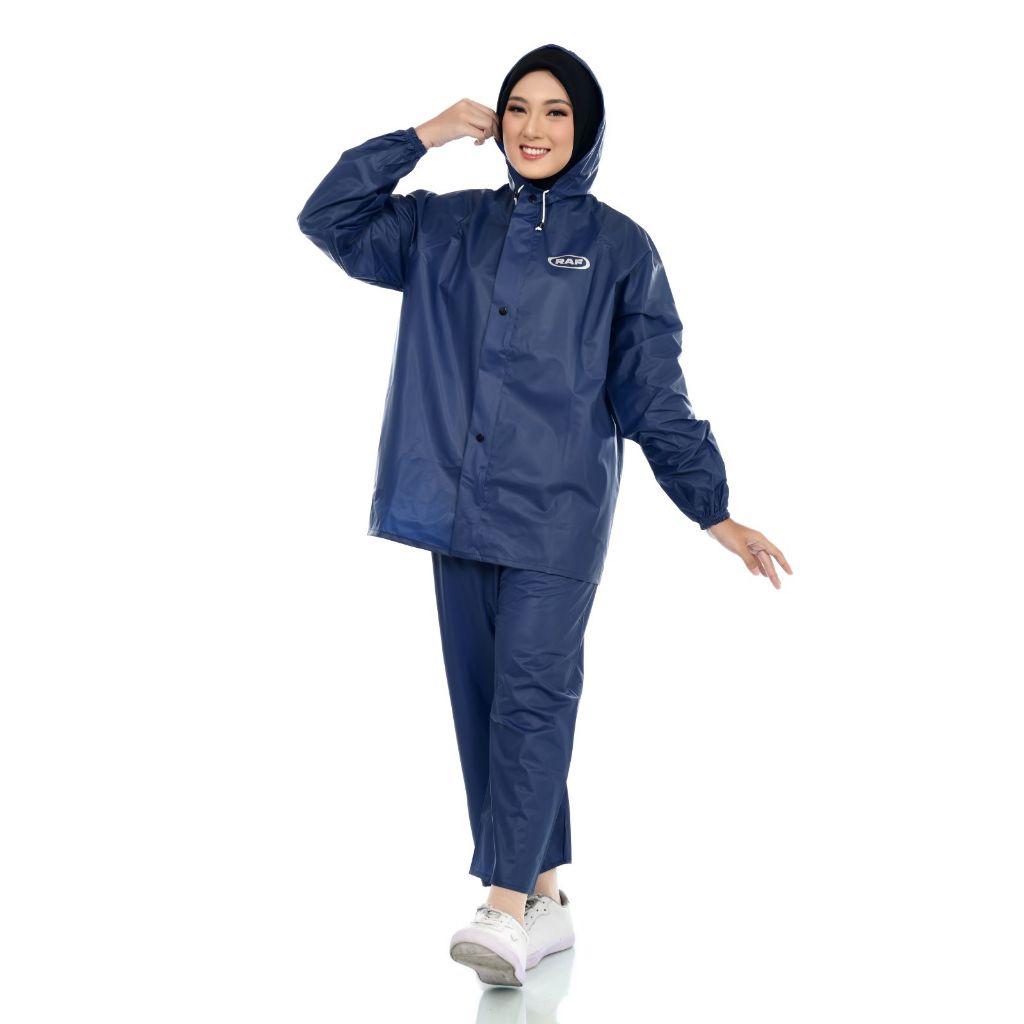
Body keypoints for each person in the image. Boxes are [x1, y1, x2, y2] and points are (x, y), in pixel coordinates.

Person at [297, 42, 792, 988]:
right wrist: (421, 137)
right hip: (452, 507)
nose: (533, 127)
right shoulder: (445, 227)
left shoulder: (620, 249)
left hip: (558, 516)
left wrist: (714, 510)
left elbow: (654, 393)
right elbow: (329, 217)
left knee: (532, 698)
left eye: (556, 111)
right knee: (486, 703)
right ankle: (549, 899)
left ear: (586, 128)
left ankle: (503, 905)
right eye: (518, 107)